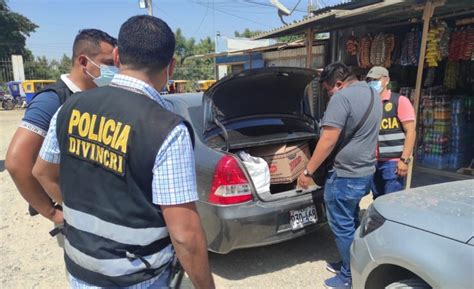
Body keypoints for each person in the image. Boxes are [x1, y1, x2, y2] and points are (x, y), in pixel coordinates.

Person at [32, 15, 215, 289]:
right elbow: (185, 235)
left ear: (117, 57)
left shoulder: (69, 108)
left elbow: (42, 172)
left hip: (81, 270)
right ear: (171, 67)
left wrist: (74, 217)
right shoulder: (167, 129)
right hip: (139, 280)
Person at [5, 29, 117, 226]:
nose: (114, 70)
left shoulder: (98, 97)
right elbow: (17, 162)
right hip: (74, 214)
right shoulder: (52, 100)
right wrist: (53, 213)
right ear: (83, 62)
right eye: (109, 64)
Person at [297, 63, 382, 289]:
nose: (328, 93)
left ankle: (349, 276)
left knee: (342, 226)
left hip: (345, 175)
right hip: (364, 172)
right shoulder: (372, 93)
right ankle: (351, 263)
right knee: (352, 220)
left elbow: (328, 140)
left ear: (338, 83)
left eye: (327, 89)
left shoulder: (341, 98)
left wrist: (308, 171)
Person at [366, 66, 416, 198]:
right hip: (373, 162)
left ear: (386, 80)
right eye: (369, 80)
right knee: (377, 199)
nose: (372, 83)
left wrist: (404, 160)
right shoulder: (369, 103)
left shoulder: (399, 101)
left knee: (392, 200)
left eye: (375, 79)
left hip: (392, 162)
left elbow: (411, 131)